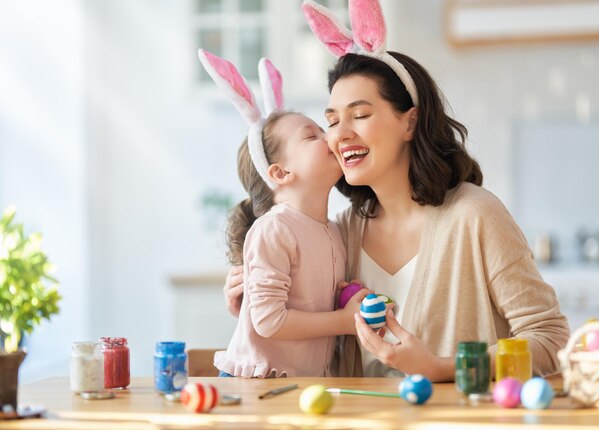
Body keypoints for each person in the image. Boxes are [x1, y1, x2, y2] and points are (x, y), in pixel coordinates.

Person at [224, 0, 570, 381]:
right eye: (332, 121)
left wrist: (440, 368)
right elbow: (298, 321)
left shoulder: (474, 215)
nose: (339, 135)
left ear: (410, 123)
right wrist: (248, 300)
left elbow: (549, 339)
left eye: (360, 115)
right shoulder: (342, 233)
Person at [199, 51, 371, 378]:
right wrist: (342, 321)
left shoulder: (333, 231)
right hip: (256, 384)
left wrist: (341, 296)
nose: (331, 137)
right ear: (281, 174)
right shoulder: (274, 230)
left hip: (296, 387)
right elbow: (268, 321)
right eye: (313, 135)